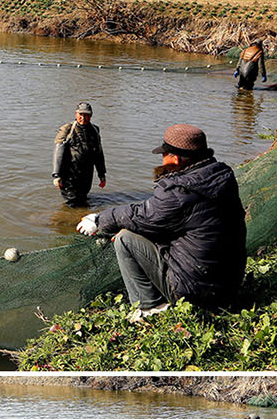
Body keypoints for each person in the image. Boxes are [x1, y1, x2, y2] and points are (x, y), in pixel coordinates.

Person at [78, 124, 247, 318]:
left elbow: (142, 215)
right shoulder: (221, 175)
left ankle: (150, 307)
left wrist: (99, 219)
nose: (162, 160)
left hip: (197, 293)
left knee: (125, 238)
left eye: (164, 155)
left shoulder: (178, 191)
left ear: (175, 159)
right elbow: (165, 217)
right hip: (229, 285)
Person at [52, 103, 106, 207]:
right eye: (81, 114)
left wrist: (101, 174)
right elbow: (58, 152)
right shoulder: (67, 129)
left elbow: (98, 153)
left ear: (91, 116)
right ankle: (68, 220)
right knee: (71, 202)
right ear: (76, 114)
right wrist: (57, 175)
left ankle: (80, 218)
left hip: (87, 173)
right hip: (70, 173)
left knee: (83, 198)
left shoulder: (95, 130)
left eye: (86, 115)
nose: (83, 117)